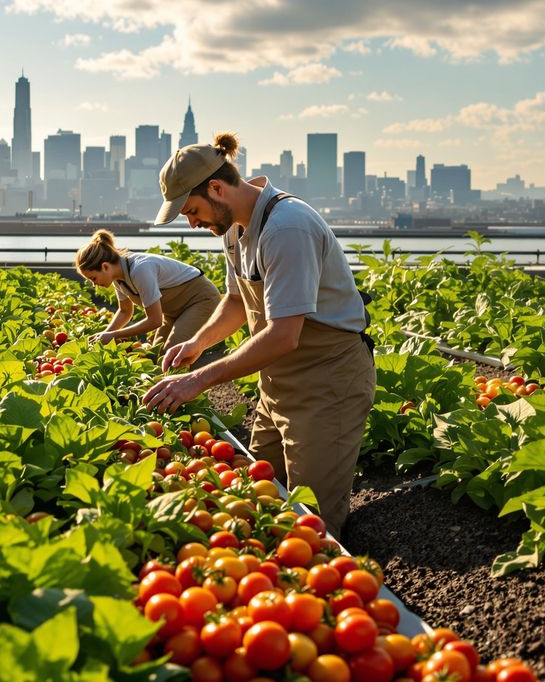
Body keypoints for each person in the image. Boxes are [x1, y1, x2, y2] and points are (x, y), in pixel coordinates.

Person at [140, 132, 374, 538]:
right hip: (277, 383)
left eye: (192, 211)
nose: (192, 223)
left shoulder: (287, 228)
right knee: (258, 497)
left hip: (327, 383)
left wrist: (198, 379)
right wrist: (199, 343)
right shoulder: (234, 227)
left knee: (313, 525)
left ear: (217, 188)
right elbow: (236, 301)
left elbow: (284, 335)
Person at [75, 229, 222, 351]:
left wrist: (114, 335)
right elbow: (125, 311)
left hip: (201, 300)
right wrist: (104, 336)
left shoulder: (140, 270)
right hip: (173, 312)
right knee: (155, 351)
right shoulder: (118, 278)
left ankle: (189, 384)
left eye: (93, 278)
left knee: (173, 353)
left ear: (105, 266)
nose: (94, 284)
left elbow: (155, 320)